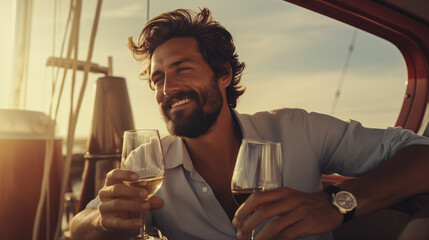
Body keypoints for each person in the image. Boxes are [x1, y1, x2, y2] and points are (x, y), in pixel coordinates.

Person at [70, 8, 429, 240]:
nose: (168, 88)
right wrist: (102, 218)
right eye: (157, 79)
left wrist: (339, 203)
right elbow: (78, 227)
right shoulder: (148, 163)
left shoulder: (297, 130)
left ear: (224, 74)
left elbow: (420, 152)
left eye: (182, 69)